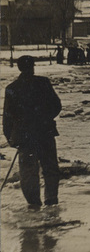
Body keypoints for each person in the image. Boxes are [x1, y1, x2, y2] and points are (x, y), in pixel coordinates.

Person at [2, 56, 62, 208]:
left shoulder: (12, 88)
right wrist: (45, 118)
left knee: (28, 171)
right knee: (50, 168)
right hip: (45, 132)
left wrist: (10, 137)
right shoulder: (43, 83)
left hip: (24, 136)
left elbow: (8, 116)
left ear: (19, 68)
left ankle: (33, 203)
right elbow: (56, 106)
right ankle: (51, 200)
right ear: (33, 67)